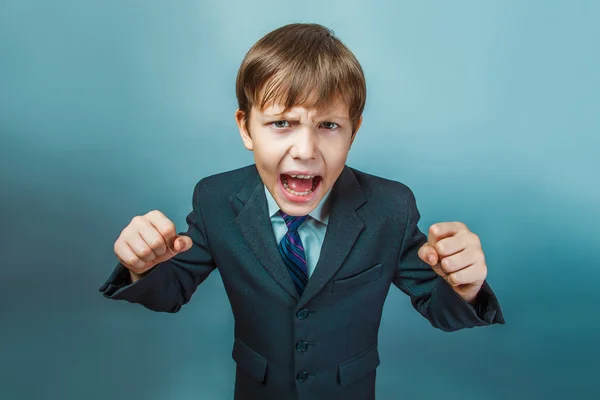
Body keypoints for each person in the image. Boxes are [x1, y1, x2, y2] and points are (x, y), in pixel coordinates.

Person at [99, 22, 505, 400]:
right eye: (281, 123)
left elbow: (439, 307)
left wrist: (464, 286)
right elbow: (169, 292)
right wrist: (142, 265)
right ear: (245, 128)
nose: (306, 150)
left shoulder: (390, 208)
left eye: (329, 126)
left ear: (353, 131)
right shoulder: (215, 199)